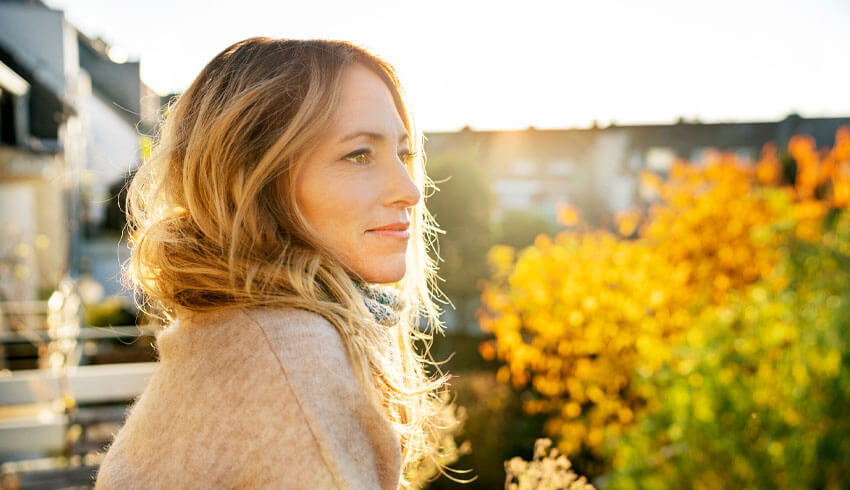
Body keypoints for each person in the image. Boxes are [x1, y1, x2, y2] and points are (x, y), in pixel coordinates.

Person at [94, 37, 465, 489]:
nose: (410, 190)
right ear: (255, 180)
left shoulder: (241, 331)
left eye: (403, 155)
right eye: (360, 155)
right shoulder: (295, 360)